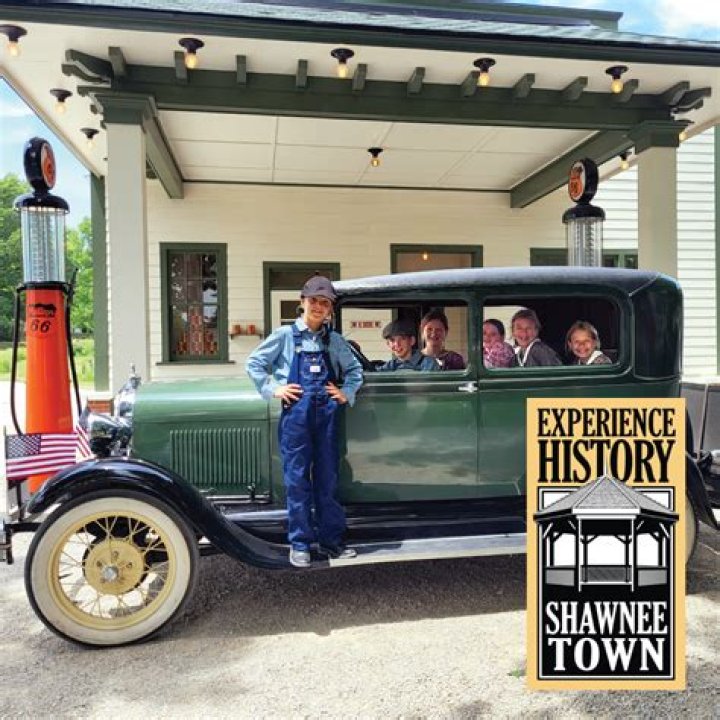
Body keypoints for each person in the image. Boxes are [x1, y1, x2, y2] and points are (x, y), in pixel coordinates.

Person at [245, 275, 363, 568]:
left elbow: (354, 370)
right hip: (296, 417)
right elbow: (254, 363)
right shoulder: (285, 336)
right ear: (302, 302)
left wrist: (346, 392)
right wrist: (274, 389)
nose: (319, 307)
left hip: (327, 418)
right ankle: (300, 544)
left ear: (330, 309)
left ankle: (331, 541)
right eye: (314, 301)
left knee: (327, 479)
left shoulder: (334, 340)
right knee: (297, 481)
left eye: (325, 303)